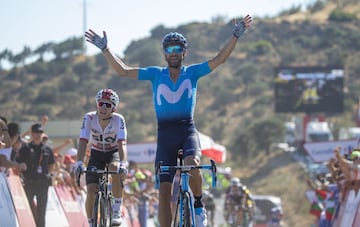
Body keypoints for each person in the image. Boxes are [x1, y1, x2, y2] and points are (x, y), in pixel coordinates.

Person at [85, 14, 252, 227]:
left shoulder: (192, 73)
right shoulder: (156, 74)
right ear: (164, 53)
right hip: (165, 135)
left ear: (184, 52)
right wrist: (105, 50)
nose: (173, 53)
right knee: (163, 192)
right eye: (170, 50)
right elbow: (123, 71)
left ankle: (199, 206)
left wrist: (235, 35)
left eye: (177, 49)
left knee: (193, 165)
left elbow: (220, 59)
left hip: (187, 131)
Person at [74, 88, 128, 226]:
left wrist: (123, 163)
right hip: (96, 154)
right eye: (101, 103)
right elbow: (83, 141)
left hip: (112, 153)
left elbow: (122, 144)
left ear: (113, 109)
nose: (103, 107)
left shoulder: (118, 120)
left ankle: (116, 209)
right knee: (91, 189)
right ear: (97, 104)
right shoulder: (89, 117)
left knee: (115, 168)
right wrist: (79, 162)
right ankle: (91, 221)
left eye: (108, 105)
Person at [16, 123, 55, 227]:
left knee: (41, 210)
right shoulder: (25, 148)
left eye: (40, 132)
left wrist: (49, 174)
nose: (38, 134)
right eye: (36, 132)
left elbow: (51, 164)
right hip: (29, 183)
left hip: (43, 183)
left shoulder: (47, 149)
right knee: (27, 209)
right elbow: (19, 163)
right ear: (32, 133)